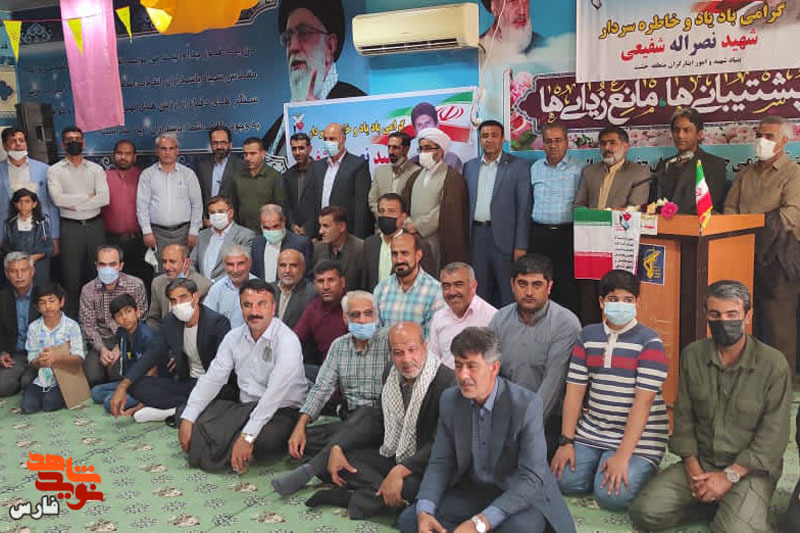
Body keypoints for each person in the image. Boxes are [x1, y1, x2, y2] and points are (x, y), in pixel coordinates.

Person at [630, 280, 792, 532]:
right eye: (715, 315)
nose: (723, 321)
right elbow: (684, 418)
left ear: (748, 316)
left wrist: (729, 476)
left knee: (733, 531)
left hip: (750, 469)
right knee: (645, 512)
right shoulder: (692, 355)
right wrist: (693, 467)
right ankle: (717, 502)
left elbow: (774, 435)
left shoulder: (773, 364)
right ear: (706, 315)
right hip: (703, 462)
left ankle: (733, 507)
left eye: (732, 314)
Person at [397, 327, 575, 533]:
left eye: (472, 366)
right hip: (472, 492)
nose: (463, 375)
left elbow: (531, 479)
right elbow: (440, 463)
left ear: (494, 367)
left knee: (520, 529)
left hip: (517, 494)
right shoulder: (450, 400)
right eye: (458, 365)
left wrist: (481, 522)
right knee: (410, 521)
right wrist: (425, 510)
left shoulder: (525, 404)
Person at [274, 322, 455, 520]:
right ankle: (377, 494)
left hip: (425, 465)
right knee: (343, 458)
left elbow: (440, 445)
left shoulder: (446, 382)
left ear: (425, 347)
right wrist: (338, 446)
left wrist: (401, 470)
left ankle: (353, 498)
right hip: (394, 452)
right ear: (390, 353)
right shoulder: (391, 372)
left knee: (409, 488)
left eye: (412, 350)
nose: (406, 359)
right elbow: (378, 419)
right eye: (398, 352)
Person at [551, 270, 668, 510]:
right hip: (593, 431)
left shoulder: (650, 342)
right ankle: (599, 466)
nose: (621, 305)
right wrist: (566, 442)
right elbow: (575, 391)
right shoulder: (587, 336)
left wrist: (623, 456)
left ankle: (640, 469)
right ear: (601, 302)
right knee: (561, 480)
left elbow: (643, 402)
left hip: (639, 439)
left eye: (628, 299)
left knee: (612, 496)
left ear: (638, 302)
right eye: (613, 299)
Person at [178, 279, 308, 473]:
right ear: (241, 308)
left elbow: (274, 395)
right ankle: (233, 445)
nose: (254, 311)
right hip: (244, 407)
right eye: (247, 305)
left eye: (261, 304)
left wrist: (247, 436)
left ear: (273, 308)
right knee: (188, 414)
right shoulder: (233, 337)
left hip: (282, 410)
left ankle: (235, 443)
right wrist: (188, 418)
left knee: (266, 441)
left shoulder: (287, 340)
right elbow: (213, 378)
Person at [724, 115, 800, 376]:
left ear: (784, 141)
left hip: (780, 258)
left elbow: (790, 215)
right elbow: (729, 209)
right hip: (743, 254)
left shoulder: (794, 173)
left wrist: (750, 226)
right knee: (745, 321)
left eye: (769, 137)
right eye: (759, 135)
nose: (761, 141)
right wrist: (743, 230)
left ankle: (782, 382)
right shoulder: (745, 174)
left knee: (780, 325)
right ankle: (749, 378)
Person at [488, 254, 581, 456]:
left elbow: (552, 385)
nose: (529, 292)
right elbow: (489, 374)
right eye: (522, 284)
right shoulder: (500, 319)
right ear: (512, 285)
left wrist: (521, 429)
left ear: (549, 287)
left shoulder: (565, 324)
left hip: (548, 419)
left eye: (537, 285)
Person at [109, 278, 233, 423]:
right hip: (187, 383)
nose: (178, 304)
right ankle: (186, 409)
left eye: (183, 297)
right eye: (174, 300)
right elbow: (152, 353)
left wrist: (204, 390)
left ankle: (176, 411)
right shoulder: (171, 321)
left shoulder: (217, 323)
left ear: (195, 297)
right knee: (136, 385)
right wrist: (123, 386)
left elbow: (222, 368)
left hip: (213, 383)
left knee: (224, 394)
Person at [285, 291, 389, 461]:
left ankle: (335, 453)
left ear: (376, 316)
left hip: (380, 420)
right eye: (355, 315)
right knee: (304, 438)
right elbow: (321, 389)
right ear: (345, 318)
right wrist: (301, 424)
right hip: (350, 420)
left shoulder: (389, 341)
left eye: (368, 313)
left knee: (367, 416)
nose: (363, 320)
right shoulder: (339, 346)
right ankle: (347, 451)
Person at [263, 0, 366, 161]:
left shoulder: (357, 105)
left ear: (330, 46)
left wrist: (314, 115)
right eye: (288, 38)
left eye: (303, 33)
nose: (293, 47)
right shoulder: (281, 124)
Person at [464, 119, 531, 307]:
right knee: (479, 294)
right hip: (477, 238)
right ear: (479, 140)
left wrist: (521, 246)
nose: (489, 140)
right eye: (485, 136)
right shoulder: (469, 167)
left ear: (503, 139)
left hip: (506, 241)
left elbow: (524, 208)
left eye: (494, 135)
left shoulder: (518, 166)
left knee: (508, 294)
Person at [47, 125, 109, 316]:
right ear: (63, 144)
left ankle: (100, 316)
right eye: (69, 140)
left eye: (77, 139)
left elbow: (104, 199)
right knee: (71, 277)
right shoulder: (54, 170)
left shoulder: (96, 169)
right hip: (70, 228)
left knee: (100, 273)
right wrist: (87, 197)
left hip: (94, 226)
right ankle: (73, 319)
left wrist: (72, 203)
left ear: (83, 143)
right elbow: (58, 200)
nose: (73, 142)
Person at [529, 122, 583, 314]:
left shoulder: (580, 168)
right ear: (542, 143)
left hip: (567, 234)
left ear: (567, 142)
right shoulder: (535, 168)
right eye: (548, 141)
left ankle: (569, 326)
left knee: (567, 286)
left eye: (558, 140)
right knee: (539, 283)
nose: (553, 145)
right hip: (539, 235)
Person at [402, 127, 469, 272]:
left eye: (427, 148)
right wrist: (407, 223)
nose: (423, 153)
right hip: (413, 238)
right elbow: (404, 204)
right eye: (420, 149)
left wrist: (419, 226)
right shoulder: (415, 176)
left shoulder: (452, 178)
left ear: (440, 151)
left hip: (437, 240)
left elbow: (446, 210)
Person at [79, 245, 148, 387]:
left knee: (119, 374)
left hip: (129, 337)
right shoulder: (88, 289)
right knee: (92, 376)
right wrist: (102, 349)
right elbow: (87, 325)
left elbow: (141, 319)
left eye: (112, 264)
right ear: (96, 266)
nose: (107, 269)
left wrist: (120, 347)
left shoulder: (136, 285)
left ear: (120, 266)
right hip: (101, 339)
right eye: (102, 264)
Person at [137, 134, 203, 268]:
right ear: (157, 151)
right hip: (157, 233)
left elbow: (197, 205)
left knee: (184, 269)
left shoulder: (188, 174)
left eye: (171, 148)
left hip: (184, 232)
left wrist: (193, 231)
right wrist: (147, 232)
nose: (167, 152)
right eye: (163, 148)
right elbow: (142, 206)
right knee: (162, 270)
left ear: (177, 151)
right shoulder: (147, 174)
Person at [20, 282, 85, 414]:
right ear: (37, 307)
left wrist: (57, 358)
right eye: (42, 303)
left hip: (65, 379)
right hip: (42, 379)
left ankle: (54, 395)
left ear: (61, 302)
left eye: (52, 301)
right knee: (28, 407)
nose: (48, 306)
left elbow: (79, 358)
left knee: (49, 404)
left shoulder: (72, 326)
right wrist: (39, 362)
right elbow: (31, 357)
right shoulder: (34, 327)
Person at [89, 293, 159, 415]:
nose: (125, 317)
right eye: (119, 315)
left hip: (147, 384)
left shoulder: (148, 336)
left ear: (137, 312)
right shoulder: (121, 332)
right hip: (130, 382)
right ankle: (125, 395)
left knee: (108, 402)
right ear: (115, 320)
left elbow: (154, 369)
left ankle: (143, 401)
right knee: (96, 392)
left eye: (128, 311)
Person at [652, 108, 728, 214]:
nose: (680, 135)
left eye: (686, 130)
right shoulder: (664, 165)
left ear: (699, 134)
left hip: (695, 222)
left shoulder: (714, 165)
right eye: (676, 130)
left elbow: (710, 207)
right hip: (663, 222)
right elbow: (655, 203)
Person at [0, 127, 59, 258]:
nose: (18, 144)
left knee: (41, 268)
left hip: (39, 232)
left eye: (21, 140)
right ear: (4, 145)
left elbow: (51, 206)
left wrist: (54, 236)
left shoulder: (44, 169)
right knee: (13, 268)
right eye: (13, 141)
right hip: (9, 235)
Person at [102, 139, 152, 290]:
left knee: (141, 281)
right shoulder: (104, 177)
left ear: (135, 157)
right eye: (119, 153)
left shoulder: (144, 177)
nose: (123, 157)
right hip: (111, 240)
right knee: (114, 283)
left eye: (128, 154)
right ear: (113, 155)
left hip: (138, 240)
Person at [373, 232, 444, 337]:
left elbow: (433, 338)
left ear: (418, 255)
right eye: (394, 254)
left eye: (404, 253)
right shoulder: (382, 288)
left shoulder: (435, 291)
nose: (399, 260)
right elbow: (375, 332)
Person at [428, 262, 497, 369]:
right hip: (445, 379)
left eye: (458, 285)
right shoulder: (438, 318)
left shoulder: (492, 317)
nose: (452, 292)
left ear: (473, 286)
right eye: (446, 286)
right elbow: (433, 360)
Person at [310, 123, 373, 239]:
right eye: (325, 139)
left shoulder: (358, 165)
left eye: (332, 139)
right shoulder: (317, 166)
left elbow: (362, 205)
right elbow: (313, 202)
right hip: (321, 232)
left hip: (347, 232)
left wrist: (358, 238)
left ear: (343, 140)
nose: (328, 143)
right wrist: (312, 234)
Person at [363, 193, 435, 292]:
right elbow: (365, 283)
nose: (385, 215)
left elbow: (428, 284)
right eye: (382, 211)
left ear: (403, 217)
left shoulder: (419, 245)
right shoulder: (370, 244)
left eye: (391, 211)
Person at [293, 260, 348, 381]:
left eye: (331, 280)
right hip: (325, 372)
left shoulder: (353, 305)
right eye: (320, 281)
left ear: (342, 282)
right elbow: (294, 339)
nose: (326, 286)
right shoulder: (314, 308)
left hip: (352, 371)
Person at [574, 125, 650, 209]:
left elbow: (635, 208)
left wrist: (607, 216)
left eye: (612, 143)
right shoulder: (589, 171)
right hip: (590, 218)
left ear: (625, 147)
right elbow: (579, 205)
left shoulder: (639, 173)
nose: (606, 147)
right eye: (603, 144)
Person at [0, 253, 39, 397]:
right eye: (13, 271)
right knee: (2, 387)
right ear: (6, 274)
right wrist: (2, 352)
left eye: (23, 270)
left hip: (41, 354)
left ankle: (26, 380)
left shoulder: (45, 293)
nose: (19, 276)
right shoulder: (2, 298)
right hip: (15, 355)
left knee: (29, 383)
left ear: (32, 271)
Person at [146, 243, 211, 329]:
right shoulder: (158, 282)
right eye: (164, 261)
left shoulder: (203, 285)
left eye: (172, 262)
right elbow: (153, 318)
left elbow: (204, 323)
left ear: (186, 263)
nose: (167, 267)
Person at [191, 195, 255, 283]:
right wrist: (199, 283)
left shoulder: (245, 235)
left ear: (231, 213)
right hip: (201, 287)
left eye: (220, 212)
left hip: (229, 286)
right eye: (212, 213)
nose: (216, 216)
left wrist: (213, 284)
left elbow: (243, 266)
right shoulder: (202, 235)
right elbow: (192, 263)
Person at [231, 137, 287, 233]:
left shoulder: (275, 177)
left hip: (267, 232)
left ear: (263, 154)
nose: (248, 158)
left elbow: (280, 208)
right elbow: (234, 206)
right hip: (243, 232)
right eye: (245, 154)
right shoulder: (237, 177)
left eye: (253, 154)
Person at [3, 188, 54, 285]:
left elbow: (49, 248)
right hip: (18, 266)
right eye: (20, 201)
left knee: (39, 289)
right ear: (15, 204)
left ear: (34, 204)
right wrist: (18, 259)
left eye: (27, 201)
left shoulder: (42, 223)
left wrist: (34, 258)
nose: (23, 205)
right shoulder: (10, 224)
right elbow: (7, 247)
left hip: (38, 266)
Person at [196, 126, 246, 224]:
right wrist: (204, 218)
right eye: (215, 143)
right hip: (209, 222)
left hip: (232, 223)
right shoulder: (202, 166)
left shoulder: (241, 166)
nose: (219, 147)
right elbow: (199, 196)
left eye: (223, 142)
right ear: (210, 145)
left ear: (230, 144)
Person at [251, 203, 313, 282]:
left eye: (275, 226)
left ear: (283, 221)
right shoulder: (256, 244)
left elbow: (307, 276)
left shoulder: (301, 244)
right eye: (267, 228)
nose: (271, 231)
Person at [368, 132, 420, 221]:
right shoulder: (380, 171)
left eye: (395, 148)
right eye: (389, 147)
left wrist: (402, 221)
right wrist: (385, 216)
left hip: (406, 225)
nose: (390, 152)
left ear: (406, 149)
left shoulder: (417, 173)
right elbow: (372, 201)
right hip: (382, 225)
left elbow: (418, 205)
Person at [203, 244, 257, 329]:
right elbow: (207, 321)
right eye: (230, 264)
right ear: (224, 266)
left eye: (240, 264)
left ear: (249, 263)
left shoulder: (261, 289)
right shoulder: (216, 289)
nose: (235, 270)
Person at [313, 205, 364, 291]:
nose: (320, 231)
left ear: (341, 227)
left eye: (326, 226)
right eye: (320, 226)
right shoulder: (318, 248)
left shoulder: (360, 249)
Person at [408, 103, 464, 173]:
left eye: (428, 123)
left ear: (437, 125)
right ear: (415, 131)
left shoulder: (451, 160)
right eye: (419, 125)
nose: (424, 128)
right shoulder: (413, 163)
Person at [272, 248, 316, 328]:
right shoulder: (269, 290)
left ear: (303, 267)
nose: (287, 270)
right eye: (283, 265)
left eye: (293, 265)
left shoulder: (312, 293)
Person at [282, 133, 315, 236]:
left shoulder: (320, 171)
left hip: (316, 232)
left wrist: (308, 226)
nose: (297, 153)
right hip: (294, 232)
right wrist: (292, 225)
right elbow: (286, 204)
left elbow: (320, 204)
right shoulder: (287, 175)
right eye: (294, 149)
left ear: (309, 148)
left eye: (301, 148)